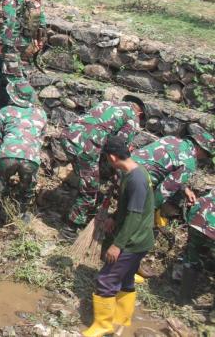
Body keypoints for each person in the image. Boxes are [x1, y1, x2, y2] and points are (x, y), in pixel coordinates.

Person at [82, 135, 154, 337]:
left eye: (106, 159)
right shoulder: (133, 173)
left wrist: (118, 245)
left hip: (132, 242)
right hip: (140, 240)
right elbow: (129, 207)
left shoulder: (137, 180)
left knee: (106, 279)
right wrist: (114, 216)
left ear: (112, 157)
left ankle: (103, 325)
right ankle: (121, 320)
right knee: (126, 278)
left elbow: (134, 215)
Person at [62, 95, 146, 231]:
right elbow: (117, 146)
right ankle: (70, 228)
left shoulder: (108, 103)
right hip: (86, 146)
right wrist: (126, 150)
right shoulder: (133, 118)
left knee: (87, 177)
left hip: (68, 135)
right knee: (90, 189)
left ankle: (69, 206)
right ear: (140, 113)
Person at [0, 79, 47, 229]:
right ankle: (21, 219)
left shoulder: (5, 111)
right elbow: (40, 139)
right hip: (31, 158)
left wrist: (4, 150)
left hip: (8, 155)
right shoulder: (41, 114)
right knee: (26, 189)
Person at [131, 125, 213, 226]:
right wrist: (151, 209)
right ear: (200, 148)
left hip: (126, 165)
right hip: (137, 180)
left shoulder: (170, 139)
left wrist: (185, 188)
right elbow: (165, 189)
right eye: (206, 154)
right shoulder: (189, 163)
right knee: (134, 220)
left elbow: (162, 165)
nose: (203, 158)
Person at [0, 0, 46, 111]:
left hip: (14, 41)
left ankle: (35, 107)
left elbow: (10, 21)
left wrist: (1, 44)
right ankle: (1, 103)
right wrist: (39, 37)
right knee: (9, 70)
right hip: (28, 38)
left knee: (15, 76)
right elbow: (40, 14)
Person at [178, 190, 214, 306]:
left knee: (192, 257)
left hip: (197, 220)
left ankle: (183, 299)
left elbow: (199, 203)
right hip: (210, 228)